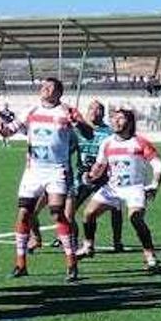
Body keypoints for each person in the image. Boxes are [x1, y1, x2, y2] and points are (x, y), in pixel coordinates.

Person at [0, 78, 93, 282]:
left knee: (57, 214)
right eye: (43, 86)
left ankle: (71, 263)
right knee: (23, 215)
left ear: (59, 93)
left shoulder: (67, 111)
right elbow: (7, 131)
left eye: (50, 87)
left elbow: (88, 134)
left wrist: (79, 123)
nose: (44, 89)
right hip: (34, 171)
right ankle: (21, 264)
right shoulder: (31, 111)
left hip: (57, 170)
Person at [80, 108, 161, 272]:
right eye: (114, 118)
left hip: (134, 188)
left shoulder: (140, 142)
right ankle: (88, 246)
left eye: (120, 118)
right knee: (88, 214)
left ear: (130, 122)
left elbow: (158, 164)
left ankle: (150, 255)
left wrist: (154, 184)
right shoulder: (107, 142)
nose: (116, 121)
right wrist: (90, 176)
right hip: (112, 188)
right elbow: (100, 165)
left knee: (135, 218)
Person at [69, 100, 125, 258]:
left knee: (116, 208)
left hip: (105, 178)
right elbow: (70, 149)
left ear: (103, 113)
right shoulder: (77, 130)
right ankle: (71, 240)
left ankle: (117, 241)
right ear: (86, 111)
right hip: (82, 177)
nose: (95, 111)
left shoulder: (109, 133)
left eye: (99, 109)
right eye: (92, 108)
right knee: (69, 209)